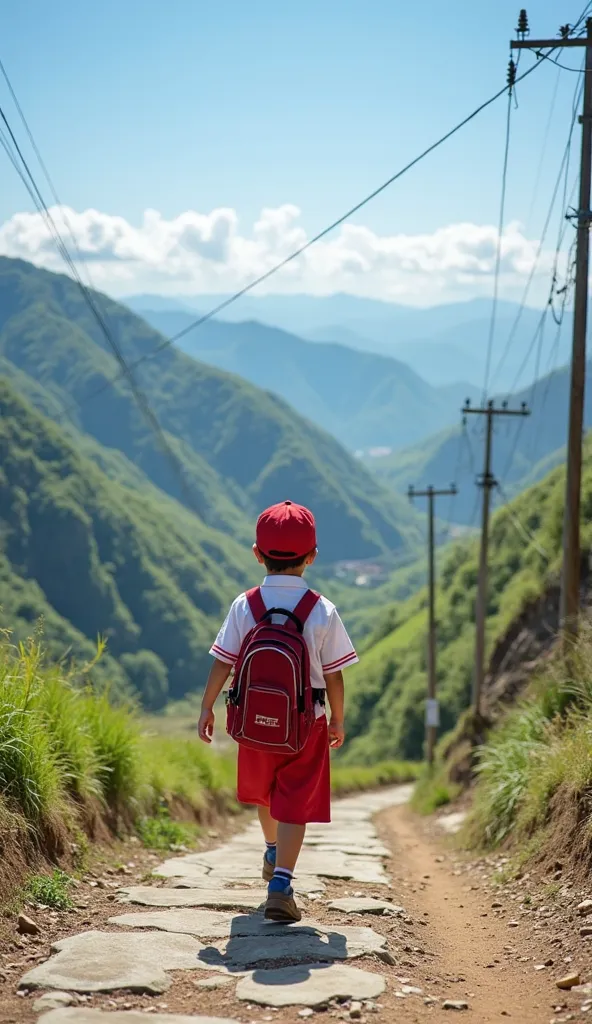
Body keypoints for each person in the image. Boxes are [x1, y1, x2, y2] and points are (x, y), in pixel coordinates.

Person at [197, 499, 359, 922]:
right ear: (312, 556)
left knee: (267, 794)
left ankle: (271, 850)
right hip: (308, 724)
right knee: (295, 801)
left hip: (253, 723)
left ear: (257, 553)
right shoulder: (322, 610)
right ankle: (282, 882)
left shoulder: (244, 604)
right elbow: (336, 674)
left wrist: (207, 706)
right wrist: (338, 719)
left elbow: (224, 660)